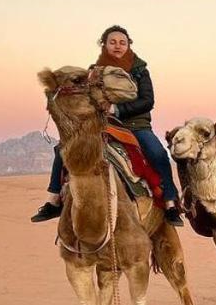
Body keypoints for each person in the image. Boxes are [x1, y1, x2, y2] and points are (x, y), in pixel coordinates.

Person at [32, 25, 183, 226]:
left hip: (136, 125)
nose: (118, 46)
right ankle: (53, 199)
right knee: (64, 149)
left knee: (157, 153)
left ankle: (170, 203)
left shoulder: (140, 71)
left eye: (122, 42)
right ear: (104, 45)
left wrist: (116, 110)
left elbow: (147, 101)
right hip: (102, 124)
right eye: (113, 42)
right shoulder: (94, 72)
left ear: (129, 45)